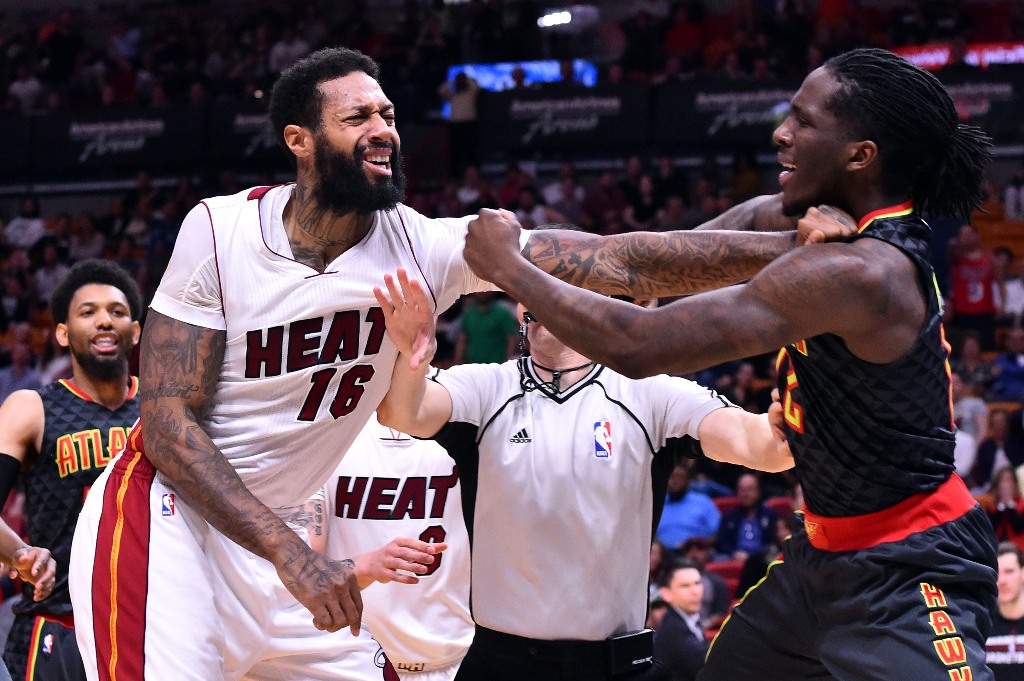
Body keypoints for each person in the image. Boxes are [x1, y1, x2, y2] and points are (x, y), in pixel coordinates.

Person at [67, 45, 851, 681]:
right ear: (299, 141)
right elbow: (166, 426)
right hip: (171, 525)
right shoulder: (219, 231)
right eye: (357, 117)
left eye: (388, 114)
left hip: (281, 551)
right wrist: (295, 554)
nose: (383, 129)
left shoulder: (425, 244)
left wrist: (786, 245)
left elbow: (622, 262)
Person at [459, 47, 999, 680]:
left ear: (861, 154)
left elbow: (641, 345)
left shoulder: (864, 271)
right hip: (822, 553)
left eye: (804, 121)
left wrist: (509, 269)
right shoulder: (811, 222)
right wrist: (500, 247)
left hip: (911, 563)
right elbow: (652, 260)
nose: (781, 133)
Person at [371, 268, 795, 681]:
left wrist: (787, 423)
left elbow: (759, 445)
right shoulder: (486, 388)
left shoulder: (650, 394)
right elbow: (402, 412)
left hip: (614, 663)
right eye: (530, 287)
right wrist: (415, 354)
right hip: (501, 661)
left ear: (600, 305)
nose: (540, 299)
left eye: (556, 287)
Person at [0, 259, 142, 681]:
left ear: (135, 332)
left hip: (150, 624)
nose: (104, 321)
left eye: (117, 312)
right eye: (88, 311)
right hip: (58, 624)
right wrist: (21, 555)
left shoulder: (163, 413)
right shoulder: (31, 408)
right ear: (62, 332)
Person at [316, 418, 473, 681]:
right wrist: (367, 566)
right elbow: (300, 563)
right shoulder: (329, 429)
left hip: (454, 661)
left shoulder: (466, 420)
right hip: (347, 664)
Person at [653, 561, 709, 681]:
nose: (695, 591)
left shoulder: (690, 620)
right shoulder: (673, 634)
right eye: (685, 586)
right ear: (666, 594)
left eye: (698, 583)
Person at [714, 473, 778, 563]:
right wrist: (733, 553)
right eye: (742, 490)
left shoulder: (770, 515)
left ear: (759, 492)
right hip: (734, 558)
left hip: (763, 559)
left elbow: (773, 542)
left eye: (749, 489)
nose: (745, 494)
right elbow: (722, 542)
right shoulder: (728, 517)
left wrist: (754, 557)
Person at [656, 464, 720, 551]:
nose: (675, 481)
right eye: (672, 477)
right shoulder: (657, 504)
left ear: (688, 481)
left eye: (680, 477)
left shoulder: (702, 501)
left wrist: (698, 546)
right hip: (663, 556)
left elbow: (716, 532)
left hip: (694, 552)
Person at [987, 542, 1024, 679]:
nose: (1001, 580)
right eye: (996, 573)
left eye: (1009, 571)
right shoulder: (980, 624)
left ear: (1023, 573)